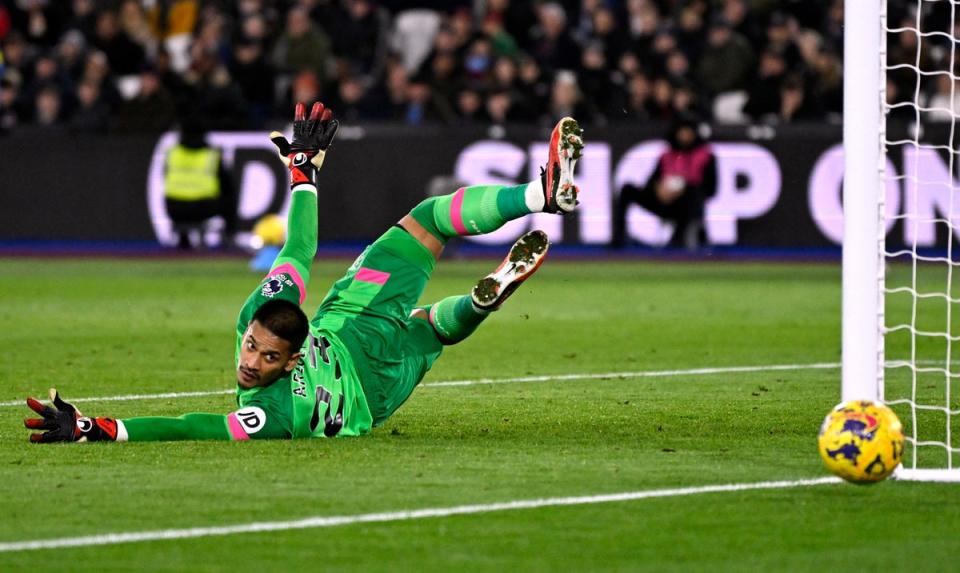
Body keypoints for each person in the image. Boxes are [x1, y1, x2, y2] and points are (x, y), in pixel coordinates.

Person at [22, 102, 584, 443]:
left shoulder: (270, 408)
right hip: (353, 336)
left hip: (364, 373)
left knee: (430, 322)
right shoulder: (273, 312)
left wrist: (96, 427)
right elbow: (302, 244)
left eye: (266, 355)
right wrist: (304, 178)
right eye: (253, 349)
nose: (250, 363)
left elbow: (197, 425)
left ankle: (487, 294)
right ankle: (536, 198)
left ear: (293, 355)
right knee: (431, 227)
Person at [612, 115, 717, 250]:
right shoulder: (667, 155)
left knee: (694, 194)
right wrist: (659, 190)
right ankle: (618, 238)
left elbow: (711, 189)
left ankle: (682, 239)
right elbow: (651, 182)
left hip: (687, 205)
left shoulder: (706, 156)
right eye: (682, 132)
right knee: (627, 189)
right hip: (663, 200)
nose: (685, 135)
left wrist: (684, 189)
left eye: (688, 132)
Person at [163, 118, 236, 249]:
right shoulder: (211, 155)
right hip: (204, 208)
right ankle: (229, 236)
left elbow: (165, 176)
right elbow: (226, 185)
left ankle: (183, 238)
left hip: (175, 209)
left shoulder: (172, 152)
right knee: (229, 197)